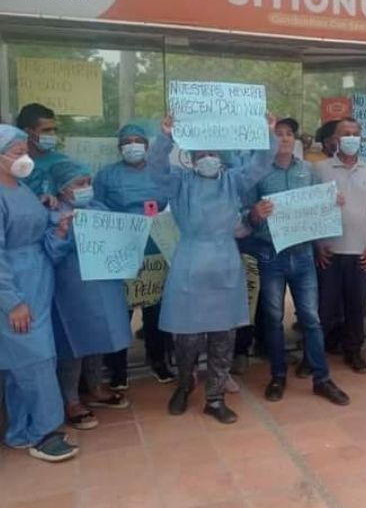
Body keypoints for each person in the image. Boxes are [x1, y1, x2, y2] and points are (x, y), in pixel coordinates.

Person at [151, 113, 277, 424]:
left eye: (212, 154)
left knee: (223, 335)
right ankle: (184, 384)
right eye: (201, 154)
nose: (207, 158)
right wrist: (164, 137)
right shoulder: (180, 182)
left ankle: (215, 397)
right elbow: (155, 169)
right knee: (186, 337)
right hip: (190, 261)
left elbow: (260, 166)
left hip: (224, 263)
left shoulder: (233, 180)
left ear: (221, 157)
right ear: (191, 158)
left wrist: (268, 133)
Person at [244, 118, 350, 405]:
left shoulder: (308, 171)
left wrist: (331, 203)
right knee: (274, 319)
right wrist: (255, 213)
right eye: (278, 134)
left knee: (311, 319)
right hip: (271, 254)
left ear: (296, 140)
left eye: (289, 134)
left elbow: (317, 211)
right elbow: (246, 218)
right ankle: (278, 375)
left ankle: (322, 378)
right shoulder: (258, 174)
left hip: (303, 254)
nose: (284, 138)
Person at [0, 125, 79, 462]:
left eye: (25, 152)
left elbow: (40, 235)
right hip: (15, 287)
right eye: (17, 153)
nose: (25, 158)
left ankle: (20, 430)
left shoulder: (22, 189)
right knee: (36, 359)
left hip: (38, 279)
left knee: (22, 363)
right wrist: (12, 301)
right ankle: (45, 432)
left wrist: (59, 229)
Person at [46, 161, 133, 432]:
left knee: (98, 337)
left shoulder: (98, 209)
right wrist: (61, 232)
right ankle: (71, 400)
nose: (86, 189)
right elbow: (50, 253)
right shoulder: (52, 214)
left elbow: (118, 240)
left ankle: (95, 387)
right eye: (79, 184)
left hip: (102, 286)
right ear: (62, 189)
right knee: (73, 345)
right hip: (72, 289)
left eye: (88, 183)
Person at [93, 123, 177, 386]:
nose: (132, 145)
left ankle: (158, 360)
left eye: (137, 140)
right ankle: (117, 369)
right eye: (126, 141)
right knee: (120, 312)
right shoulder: (107, 175)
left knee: (155, 310)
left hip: (157, 250)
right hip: (122, 250)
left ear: (147, 146)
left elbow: (175, 203)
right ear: (119, 148)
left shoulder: (162, 173)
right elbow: (95, 206)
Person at [313, 118, 366, 374]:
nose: (351, 137)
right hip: (329, 252)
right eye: (345, 133)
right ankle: (315, 355)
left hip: (361, 251)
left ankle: (354, 352)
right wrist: (318, 244)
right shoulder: (319, 169)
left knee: (356, 307)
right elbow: (311, 209)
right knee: (324, 309)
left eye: (355, 133)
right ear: (334, 140)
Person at [16, 103, 68, 199]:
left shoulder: (63, 163)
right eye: (46, 130)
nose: (52, 134)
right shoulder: (10, 164)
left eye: (54, 130)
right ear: (27, 132)